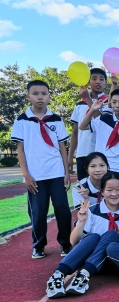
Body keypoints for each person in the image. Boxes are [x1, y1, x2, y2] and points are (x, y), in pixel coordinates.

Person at [11, 80, 72, 259]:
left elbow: (62, 147)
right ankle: (38, 245)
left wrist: (66, 172)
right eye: (36, 93)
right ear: (28, 96)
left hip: (56, 172)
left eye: (44, 94)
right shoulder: (22, 120)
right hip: (35, 175)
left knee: (62, 210)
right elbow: (20, 150)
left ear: (49, 96)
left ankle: (65, 243)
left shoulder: (56, 119)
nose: (40, 97)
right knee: (38, 212)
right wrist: (26, 175)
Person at [46, 173, 119, 298]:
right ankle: (58, 275)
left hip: (115, 261)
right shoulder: (92, 211)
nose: (114, 194)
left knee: (111, 235)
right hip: (90, 263)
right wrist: (81, 222)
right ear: (102, 192)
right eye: (109, 190)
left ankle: (83, 276)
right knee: (93, 237)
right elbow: (73, 242)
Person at [78, 90, 119, 185]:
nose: (117, 105)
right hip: (103, 166)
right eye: (114, 102)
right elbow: (82, 126)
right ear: (110, 103)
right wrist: (93, 109)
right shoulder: (103, 119)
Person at [68, 68, 107, 180]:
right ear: (88, 82)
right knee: (84, 187)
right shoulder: (79, 105)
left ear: (105, 83)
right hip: (83, 153)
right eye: (94, 78)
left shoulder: (109, 103)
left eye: (101, 79)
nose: (98, 82)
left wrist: (87, 98)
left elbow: (102, 121)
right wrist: (70, 156)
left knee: (103, 187)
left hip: (102, 153)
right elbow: (75, 132)